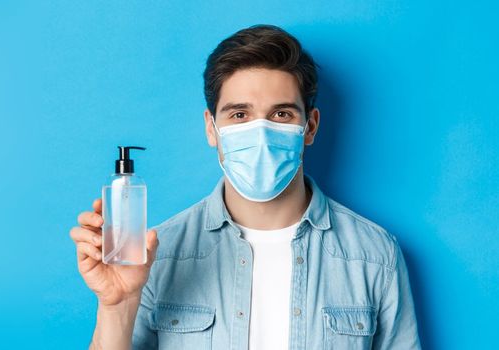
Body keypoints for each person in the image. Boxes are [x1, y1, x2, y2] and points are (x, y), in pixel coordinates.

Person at [69, 24, 421, 349]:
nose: (261, 133)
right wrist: (116, 305)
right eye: (239, 115)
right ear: (212, 128)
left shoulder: (375, 257)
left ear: (310, 127)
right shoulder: (157, 255)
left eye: (281, 114)